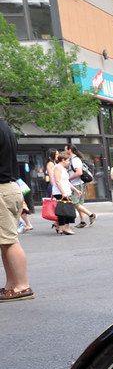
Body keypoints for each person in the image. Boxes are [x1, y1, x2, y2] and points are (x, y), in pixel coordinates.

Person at [0, 118, 33, 301]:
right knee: (5, 240)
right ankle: (11, 285)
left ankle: (22, 285)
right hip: (11, 188)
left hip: (2, 189)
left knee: (9, 240)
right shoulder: (5, 127)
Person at [64, 144, 97, 228]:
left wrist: (68, 179)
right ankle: (82, 222)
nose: (64, 151)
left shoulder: (75, 160)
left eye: (65, 149)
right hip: (78, 184)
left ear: (69, 150)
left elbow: (79, 172)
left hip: (77, 184)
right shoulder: (72, 159)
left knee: (75, 203)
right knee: (79, 204)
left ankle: (91, 215)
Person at [51, 151, 79, 235]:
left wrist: (75, 190)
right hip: (61, 192)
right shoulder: (58, 167)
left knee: (66, 211)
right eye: (68, 160)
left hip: (65, 192)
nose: (69, 162)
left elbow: (66, 181)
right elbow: (57, 181)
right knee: (64, 211)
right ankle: (64, 228)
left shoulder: (63, 168)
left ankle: (62, 227)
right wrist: (63, 192)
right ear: (63, 160)